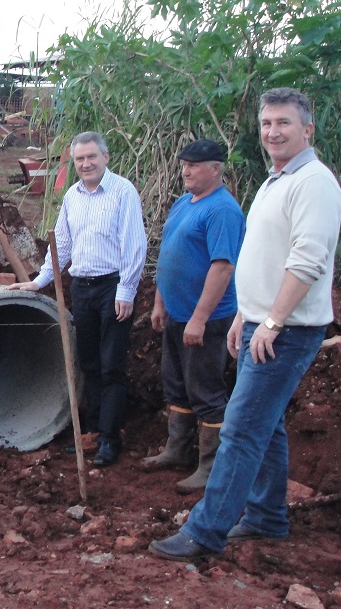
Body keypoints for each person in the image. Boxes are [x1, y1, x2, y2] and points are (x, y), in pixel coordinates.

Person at [149, 87, 341, 561]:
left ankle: (205, 532)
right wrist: (245, 315)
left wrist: (273, 321)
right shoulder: (276, 180)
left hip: (288, 331)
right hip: (260, 323)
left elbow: (307, 262)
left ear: (307, 129)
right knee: (267, 425)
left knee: (239, 428)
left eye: (284, 123)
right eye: (267, 124)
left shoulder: (314, 183)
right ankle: (266, 517)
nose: (273, 132)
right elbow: (260, 259)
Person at [9, 131, 146, 467]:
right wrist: (41, 280)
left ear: (105, 157)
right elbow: (63, 246)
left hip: (113, 287)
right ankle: (94, 433)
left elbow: (134, 246)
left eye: (92, 157)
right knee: (89, 363)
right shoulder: (72, 196)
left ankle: (111, 440)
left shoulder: (122, 192)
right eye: (80, 159)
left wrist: (126, 291)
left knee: (112, 364)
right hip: (81, 287)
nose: (86, 164)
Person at [142, 139, 245, 494]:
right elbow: (169, 256)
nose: (186, 171)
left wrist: (199, 319)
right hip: (177, 313)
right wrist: (160, 303)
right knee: (176, 384)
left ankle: (210, 466)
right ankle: (177, 450)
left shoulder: (223, 211)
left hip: (208, 319)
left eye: (195, 166)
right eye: (184, 164)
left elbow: (222, 267)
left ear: (216, 169)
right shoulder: (183, 203)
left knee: (206, 390)